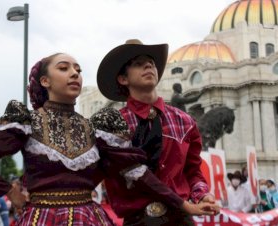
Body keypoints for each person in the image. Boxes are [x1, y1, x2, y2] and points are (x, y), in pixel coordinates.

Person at [0, 53, 184, 225]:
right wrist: (9, 192)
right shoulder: (27, 123)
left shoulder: (97, 129)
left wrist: (182, 204)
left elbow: (137, 173)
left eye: (79, 70)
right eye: (64, 68)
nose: (74, 74)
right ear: (45, 81)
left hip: (88, 217)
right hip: (41, 217)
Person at [94, 39, 219, 225]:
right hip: (139, 220)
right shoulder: (113, 125)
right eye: (138, 63)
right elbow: (136, 176)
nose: (148, 66)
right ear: (123, 79)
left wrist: (202, 195)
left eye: (151, 63)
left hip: (182, 220)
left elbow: (192, 170)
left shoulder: (185, 122)